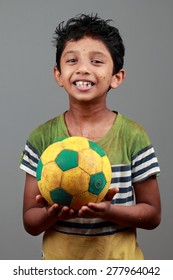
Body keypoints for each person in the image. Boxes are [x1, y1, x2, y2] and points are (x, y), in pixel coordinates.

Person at [20, 14, 161, 260]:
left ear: (116, 77)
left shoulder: (133, 136)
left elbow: (152, 215)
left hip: (120, 268)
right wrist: (53, 214)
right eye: (72, 60)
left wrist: (109, 211)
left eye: (97, 61)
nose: (83, 68)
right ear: (58, 75)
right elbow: (30, 222)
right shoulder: (42, 137)